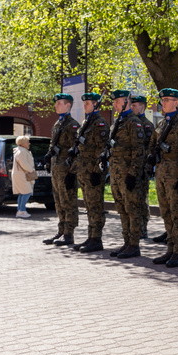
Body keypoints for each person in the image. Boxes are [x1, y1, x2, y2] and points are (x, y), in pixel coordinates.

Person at [148, 89, 178, 268]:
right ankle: (170, 248)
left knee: (177, 213)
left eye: (167, 100)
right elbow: (153, 144)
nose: (163, 103)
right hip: (161, 173)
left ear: (177, 103)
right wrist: (150, 157)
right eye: (162, 100)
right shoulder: (161, 124)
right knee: (166, 212)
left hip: (175, 175)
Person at [107, 90, 147, 259]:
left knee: (132, 209)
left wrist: (132, 173)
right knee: (122, 209)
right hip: (116, 173)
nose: (114, 105)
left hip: (127, 174)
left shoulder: (133, 123)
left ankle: (134, 244)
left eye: (117, 101)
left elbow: (139, 150)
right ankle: (126, 242)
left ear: (126, 102)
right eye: (114, 102)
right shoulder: (118, 122)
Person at [71, 93, 109, 253]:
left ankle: (97, 238)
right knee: (88, 205)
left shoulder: (100, 124)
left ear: (96, 105)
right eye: (84, 103)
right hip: (83, 169)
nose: (84, 106)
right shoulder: (86, 122)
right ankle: (91, 236)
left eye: (87, 103)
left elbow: (101, 149)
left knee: (95, 205)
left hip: (93, 171)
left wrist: (96, 171)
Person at [43, 94, 80, 246]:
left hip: (66, 170)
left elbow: (76, 151)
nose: (56, 106)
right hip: (56, 168)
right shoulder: (58, 124)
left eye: (59, 103)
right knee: (58, 202)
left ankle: (69, 233)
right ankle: (61, 230)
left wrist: (72, 172)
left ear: (68, 105)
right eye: (56, 103)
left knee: (68, 202)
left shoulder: (72, 125)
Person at [131, 95, 155, 238]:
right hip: (132, 167)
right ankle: (135, 226)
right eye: (131, 105)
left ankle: (143, 226)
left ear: (142, 107)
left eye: (135, 105)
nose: (132, 107)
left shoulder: (147, 125)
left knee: (141, 198)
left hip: (142, 167)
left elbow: (150, 147)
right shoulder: (131, 123)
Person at [12, 135, 35, 219]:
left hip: (21, 174)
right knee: (27, 191)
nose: (29, 143)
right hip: (22, 175)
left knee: (23, 193)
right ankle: (22, 210)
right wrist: (31, 170)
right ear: (23, 143)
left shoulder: (21, 150)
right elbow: (24, 164)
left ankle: (20, 210)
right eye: (27, 142)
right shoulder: (22, 152)